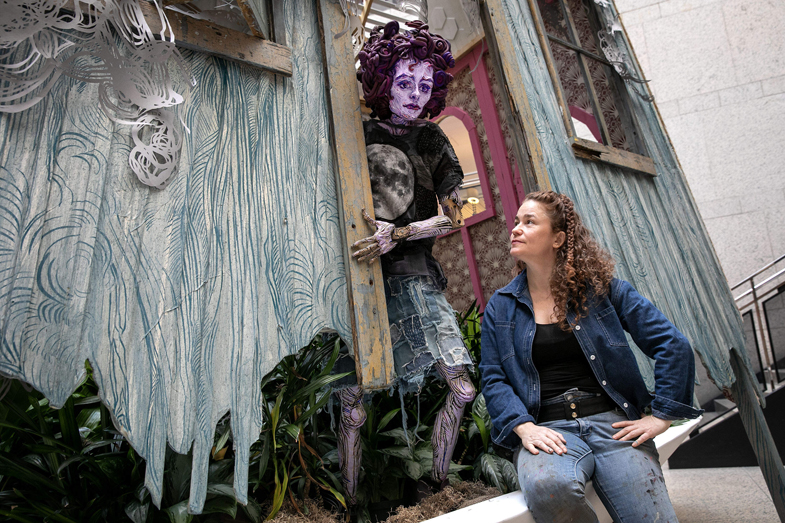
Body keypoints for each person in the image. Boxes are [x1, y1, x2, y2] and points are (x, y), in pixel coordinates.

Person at [479, 190, 702, 523]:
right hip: (548, 430)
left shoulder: (603, 290)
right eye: (515, 222)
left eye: (529, 222)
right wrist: (523, 427)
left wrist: (662, 415)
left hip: (613, 424)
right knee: (549, 488)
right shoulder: (501, 306)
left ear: (558, 238)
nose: (515, 229)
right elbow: (493, 376)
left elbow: (672, 344)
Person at [333, 20, 475, 506]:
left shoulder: (432, 140)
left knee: (460, 387)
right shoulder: (355, 133)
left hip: (416, 277)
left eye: (424, 84)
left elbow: (455, 216)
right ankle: (348, 503)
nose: (415, 93)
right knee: (352, 400)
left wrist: (400, 234)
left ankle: (437, 489)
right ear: (382, 82)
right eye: (404, 82)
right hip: (357, 279)